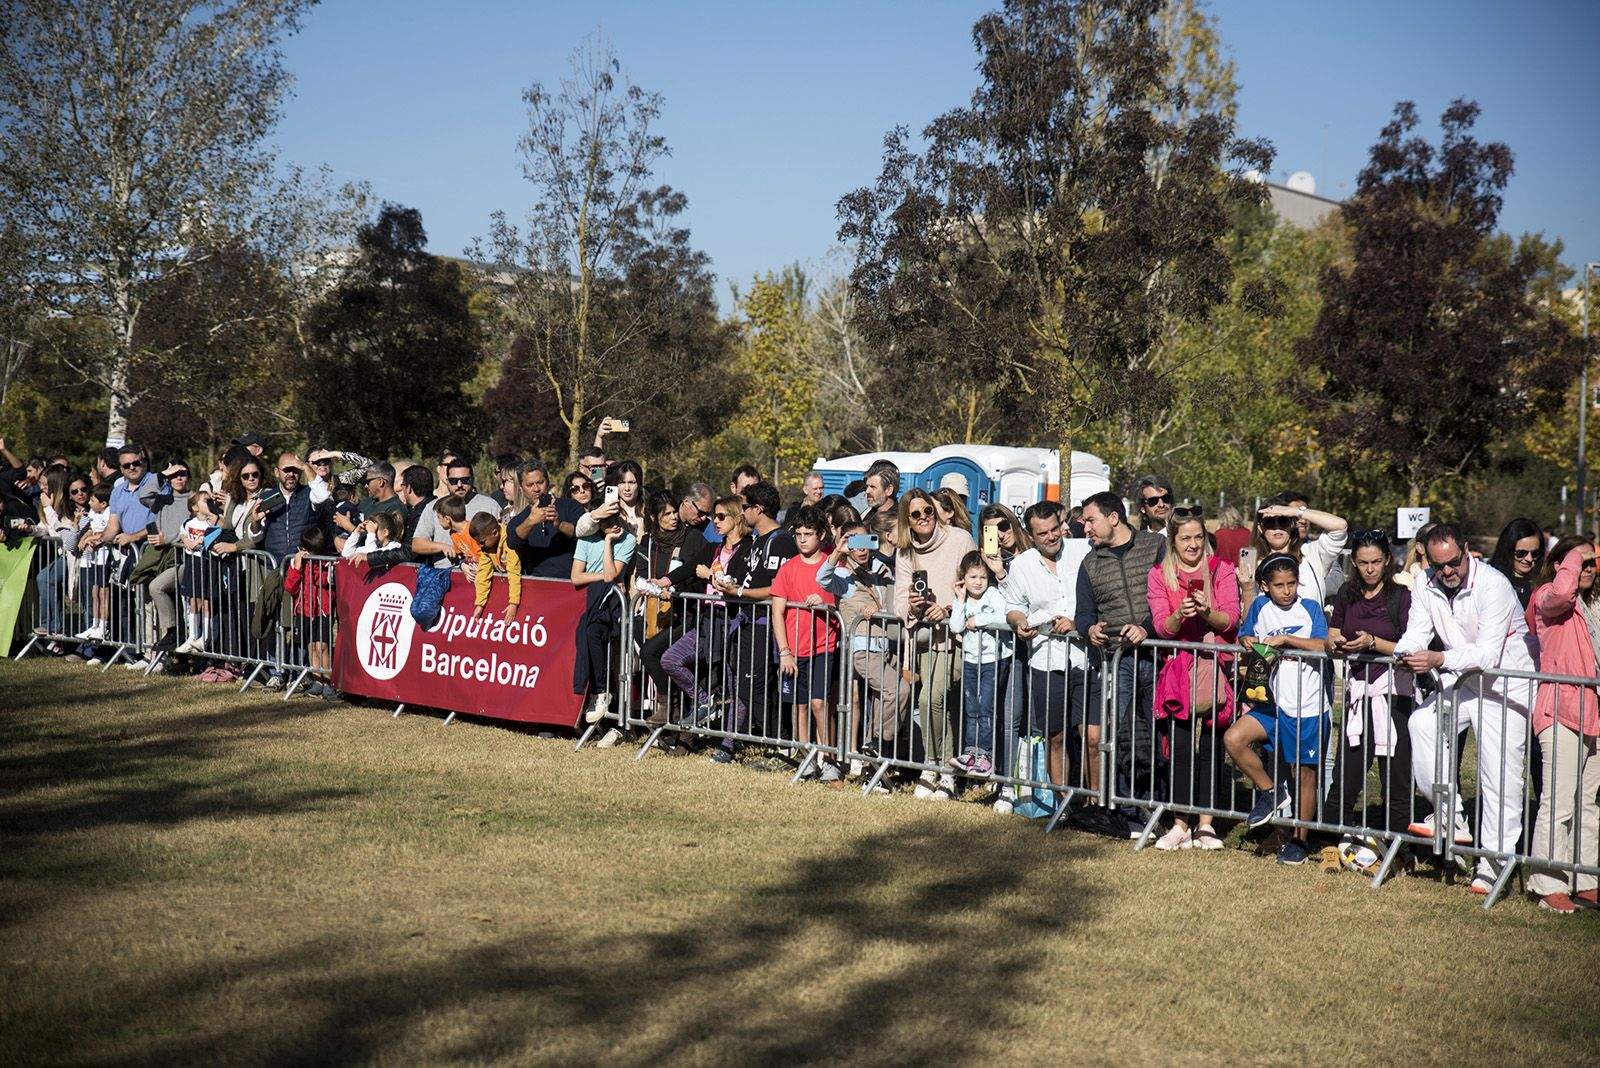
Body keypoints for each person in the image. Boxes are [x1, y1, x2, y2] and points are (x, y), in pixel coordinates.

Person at [1393, 523, 1536, 896]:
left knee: (1498, 775)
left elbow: (1487, 654)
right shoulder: (1425, 582)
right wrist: (1403, 653)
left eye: (1453, 563)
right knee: (1422, 723)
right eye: (1438, 565)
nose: (1447, 572)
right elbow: (1416, 630)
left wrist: (1438, 657)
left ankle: (1493, 864)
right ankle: (1449, 816)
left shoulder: (1494, 585)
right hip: (1465, 681)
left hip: (1508, 686)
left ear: (1467, 550)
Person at [1224, 554, 1331, 866]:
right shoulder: (1259, 605)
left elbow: (1323, 645)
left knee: (1305, 775)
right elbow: (1246, 632)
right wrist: (1247, 640)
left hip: (1307, 704)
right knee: (1234, 739)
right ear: (1265, 586)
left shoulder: (1310, 607)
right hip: (1272, 701)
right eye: (1279, 585)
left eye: (1292, 584)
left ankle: (1299, 840)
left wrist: (1286, 639)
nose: (1287, 591)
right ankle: (1270, 792)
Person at [1147, 505, 1240, 852]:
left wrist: (1207, 612)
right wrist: (1178, 615)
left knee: (1212, 745)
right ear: (1173, 540)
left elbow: (1230, 619)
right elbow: (1160, 626)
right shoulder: (1159, 574)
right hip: (1178, 668)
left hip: (1215, 666)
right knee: (1182, 745)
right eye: (1185, 538)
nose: (1193, 544)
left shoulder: (1221, 569)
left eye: (1198, 537)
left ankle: (1206, 824)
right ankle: (1180, 823)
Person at [1075, 490, 1166, 836]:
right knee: (1123, 735)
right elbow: (1083, 612)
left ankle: (1161, 806)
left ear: (1114, 518)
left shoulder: (1155, 547)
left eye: (1091, 520)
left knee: (1160, 735)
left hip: (1158, 655)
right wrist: (1089, 628)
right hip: (1117, 659)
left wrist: (1148, 628)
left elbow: (1168, 599)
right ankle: (1128, 810)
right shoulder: (1090, 563)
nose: (1086, 529)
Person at [1325, 529, 1415, 873]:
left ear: (1387, 560)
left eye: (1376, 562)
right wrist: (1336, 644)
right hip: (1357, 696)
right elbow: (1333, 633)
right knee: (1346, 776)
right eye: (1362, 563)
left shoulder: (1401, 597)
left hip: (1393, 696)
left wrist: (1373, 642)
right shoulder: (1347, 593)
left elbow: (1410, 647)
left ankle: (1400, 848)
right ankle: (1334, 842)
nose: (1369, 569)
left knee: (1396, 778)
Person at [1521, 535, 1600, 912]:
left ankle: (1584, 879)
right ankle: (1547, 883)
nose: (1586, 569)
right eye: (1579, 562)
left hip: (1594, 714)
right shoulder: (1548, 598)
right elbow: (1561, 595)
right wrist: (1573, 556)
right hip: (1559, 711)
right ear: (1560, 564)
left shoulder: (1594, 604)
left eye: (1591, 563)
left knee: (1587, 803)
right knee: (1558, 802)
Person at [1002, 501, 1091, 812]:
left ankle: (1095, 805)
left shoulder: (1083, 551)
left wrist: (1079, 624)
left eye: (1055, 529)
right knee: (1055, 737)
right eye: (1043, 533)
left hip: (1085, 657)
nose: (1052, 537)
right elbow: (1013, 606)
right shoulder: (1021, 566)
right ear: (1030, 534)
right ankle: (1062, 804)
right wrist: (1018, 623)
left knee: (1092, 737)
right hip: (1045, 658)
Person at [892, 487, 977, 798]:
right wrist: (914, 605)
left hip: (955, 635)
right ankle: (938, 767)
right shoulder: (905, 552)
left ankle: (942, 769)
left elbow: (976, 586)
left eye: (927, 510)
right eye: (915, 514)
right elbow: (899, 602)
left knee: (931, 699)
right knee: (937, 704)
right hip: (923, 638)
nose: (924, 517)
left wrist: (949, 608)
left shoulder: (959, 539)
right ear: (907, 520)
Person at [711, 481, 796, 764]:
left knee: (757, 688)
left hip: (764, 625)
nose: (742, 511)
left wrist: (739, 592)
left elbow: (777, 588)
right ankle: (773, 744)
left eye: (745, 506)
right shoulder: (758, 540)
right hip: (747, 621)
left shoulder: (781, 540)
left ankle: (780, 747)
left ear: (758, 509)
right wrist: (730, 585)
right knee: (748, 688)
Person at [820, 517, 907, 777]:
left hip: (887, 648)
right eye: (854, 542)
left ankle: (872, 754)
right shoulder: (843, 576)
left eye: (865, 541)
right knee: (897, 691)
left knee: (883, 700)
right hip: (862, 648)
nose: (861, 548)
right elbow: (822, 579)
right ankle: (879, 742)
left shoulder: (882, 570)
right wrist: (838, 551)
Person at [660, 496, 748, 726]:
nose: (715, 522)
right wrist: (663, 582)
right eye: (714, 517)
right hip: (708, 621)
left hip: (732, 623)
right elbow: (689, 568)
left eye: (721, 517)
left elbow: (737, 585)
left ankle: (728, 745)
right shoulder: (712, 548)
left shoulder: (748, 549)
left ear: (737, 518)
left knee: (733, 685)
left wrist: (709, 575)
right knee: (670, 659)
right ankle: (704, 701)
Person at [771, 505, 843, 782]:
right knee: (798, 706)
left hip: (823, 647)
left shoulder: (831, 566)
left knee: (818, 704)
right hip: (793, 651)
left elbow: (840, 602)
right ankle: (806, 758)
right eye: (798, 534)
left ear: (821, 535)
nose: (802, 539)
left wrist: (825, 603)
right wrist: (784, 652)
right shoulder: (788, 569)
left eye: (809, 534)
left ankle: (830, 760)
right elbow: (777, 612)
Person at [636, 489, 713, 736]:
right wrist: (649, 586)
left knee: (660, 655)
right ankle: (669, 708)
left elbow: (691, 572)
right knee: (654, 655)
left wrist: (672, 585)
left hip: (688, 615)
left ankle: (681, 726)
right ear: (655, 517)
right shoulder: (649, 541)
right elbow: (640, 574)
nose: (672, 518)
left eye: (673, 513)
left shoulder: (693, 538)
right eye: (666, 514)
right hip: (654, 614)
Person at [572, 502, 636, 742]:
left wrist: (609, 543)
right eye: (606, 519)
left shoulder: (627, 540)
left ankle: (603, 695)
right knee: (587, 633)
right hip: (591, 603)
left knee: (597, 638)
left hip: (613, 607)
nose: (612, 524)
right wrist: (601, 577)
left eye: (615, 517)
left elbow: (612, 574)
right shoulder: (586, 539)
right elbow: (575, 577)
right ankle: (598, 692)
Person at [949, 550, 1012, 779]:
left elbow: (1005, 616)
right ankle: (971, 751)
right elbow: (956, 627)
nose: (978, 582)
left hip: (992, 661)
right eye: (973, 577)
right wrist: (959, 599)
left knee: (986, 707)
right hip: (970, 661)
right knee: (971, 708)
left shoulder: (993, 595)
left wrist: (979, 620)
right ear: (963, 578)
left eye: (983, 577)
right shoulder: (963, 600)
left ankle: (985, 755)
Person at [1245, 494, 1348, 606]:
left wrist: (1296, 511)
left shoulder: (1311, 554)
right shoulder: (1254, 564)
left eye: (1283, 520)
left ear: (1292, 523)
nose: (1277, 527)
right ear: (1260, 528)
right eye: (1269, 522)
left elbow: (1340, 527)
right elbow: (1249, 617)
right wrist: (1246, 590)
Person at [283, 526, 336, 696]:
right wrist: (298, 567)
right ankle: (317, 680)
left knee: (323, 646)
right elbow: (290, 587)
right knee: (311, 646)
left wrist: (313, 565)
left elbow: (323, 581)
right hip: (304, 610)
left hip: (322, 609)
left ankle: (328, 682)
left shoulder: (326, 562)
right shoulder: (296, 561)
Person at [509, 462, 583, 578]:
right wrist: (530, 521)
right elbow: (513, 542)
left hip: (572, 582)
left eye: (540, 482)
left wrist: (559, 524)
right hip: (538, 585)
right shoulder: (520, 519)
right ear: (521, 488)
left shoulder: (570, 506)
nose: (536, 489)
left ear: (547, 482)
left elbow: (581, 532)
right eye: (530, 485)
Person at [174, 492, 223, 654]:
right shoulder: (189, 522)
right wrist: (186, 540)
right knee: (193, 600)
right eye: (205, 501)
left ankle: (206, 638)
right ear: (195, 507)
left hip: (209, 563)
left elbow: (221, 529)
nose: (209, 502)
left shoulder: (214, 521)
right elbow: (183, 533)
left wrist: (213, 515)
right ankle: (193, 636)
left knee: (207, 602)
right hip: (193, 563)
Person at [74, 484, 113, 640]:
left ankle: (104, 626)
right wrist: (84, 538)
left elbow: (106, 533)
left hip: (105, 557)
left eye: (92, 500)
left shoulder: (109, 513)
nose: (89, 503)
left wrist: (92, 538)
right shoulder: (94, 513)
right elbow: (91, 528)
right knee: (94, 591)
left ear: (103, 503)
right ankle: (94, 625)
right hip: (94, 558)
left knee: (103, 592)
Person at [468, 512, 522, 622]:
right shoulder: (487, 546)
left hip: (521, 585)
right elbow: (483, 573)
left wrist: (513, 603)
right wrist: (480, 604)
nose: (480, 546)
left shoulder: (509, 541)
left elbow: (514, 572)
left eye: (482, 542)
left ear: (495, 533)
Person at [1487, 517, 1545, 609]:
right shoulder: (1491, 580)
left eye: (1535, 553)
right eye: (1521, 553)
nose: (1529, 559)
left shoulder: (1544, 584)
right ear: (1507, 550)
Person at [978, 503, 1032, 585]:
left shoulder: (1036, 546)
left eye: (1003, 526)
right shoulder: (991, 563)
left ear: (1013, 521)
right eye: (993, 532)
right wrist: (999, 573)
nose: (1001, 535)